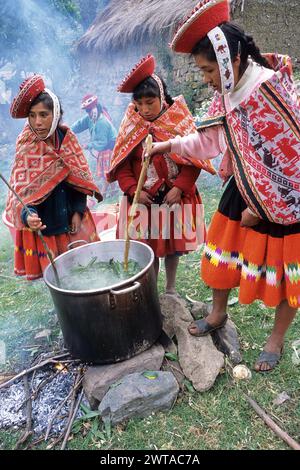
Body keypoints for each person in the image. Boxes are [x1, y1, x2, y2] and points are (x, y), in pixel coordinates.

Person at [146, 0, 300, 371]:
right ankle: (217, 315)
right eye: (202, 70)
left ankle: (275, 340)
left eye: (208, 69)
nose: (206, 78)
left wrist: (262, 208)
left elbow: (293, 159)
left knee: (288, 273)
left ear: (232, 58)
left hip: (287, 201)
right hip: (243, 189)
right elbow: (209, 142)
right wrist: (168, 145)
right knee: (219, 254)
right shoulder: (228, 94)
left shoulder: (269, 92)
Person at [106, 55, 215, 295]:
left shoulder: (179, 120)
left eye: (150, 102)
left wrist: (180, 188)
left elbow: (193, 159)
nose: (144, 109)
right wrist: (134, 190)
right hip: (143, 199)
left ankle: (171, 287)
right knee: (148, 247)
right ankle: (151, 289)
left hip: (174, 196)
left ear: (162, 97)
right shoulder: (131, 125)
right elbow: (122, 165)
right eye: (139, 103)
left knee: (173, 247)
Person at [6, 75, 102, 280]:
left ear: (56, 114)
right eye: (32, 115)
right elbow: (21, 192)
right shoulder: (27, 145)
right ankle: (65, 309)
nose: (37, 122)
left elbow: (80, 181)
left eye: (43, 114)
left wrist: (77, 211)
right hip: (48, 226)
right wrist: (28, 216)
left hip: (73, 221)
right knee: (59, 278)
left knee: (86, 271)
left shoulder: (67, 140)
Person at [71, 94, 118, 197]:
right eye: (87, 111)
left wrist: (88, 145)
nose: (89, 112)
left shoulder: (102, 122)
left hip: (109, 148)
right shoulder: (90, 118)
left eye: (89, 110)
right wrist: (68, 130)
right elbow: (79, 124)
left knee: (107, 172)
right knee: (107, 171)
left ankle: (103, 193)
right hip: (105, 148)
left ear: (96, 107)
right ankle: (113, 192)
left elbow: (102, 142)